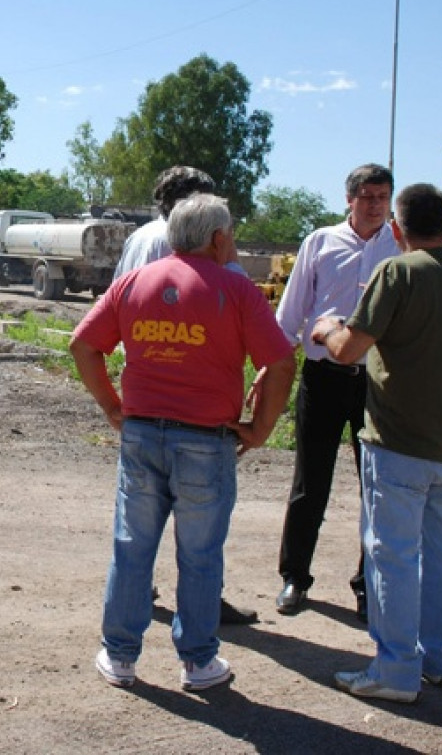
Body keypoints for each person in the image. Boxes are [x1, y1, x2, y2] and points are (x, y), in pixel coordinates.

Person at [71, 193, 296, 691]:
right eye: (231, 234)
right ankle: (197, 662)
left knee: (132, 548)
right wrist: (260, 430)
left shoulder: (135, 282)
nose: (233, 242)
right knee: (199, 555)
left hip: (143, 433)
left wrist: (113, 408)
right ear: (218, 239)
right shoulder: (236, 291)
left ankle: (120, 655)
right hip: (206, 441)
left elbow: (83, 345)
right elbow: (280, 363)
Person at [314, 183, 442, 703]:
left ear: (396, 228)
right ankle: (439, 658)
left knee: (390, 555)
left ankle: (394, 669)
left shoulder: (398, 271)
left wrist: (325, 328)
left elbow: (349, 350)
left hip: (399, 442)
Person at [114, 165, 257, 626]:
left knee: (138, 522)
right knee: (199, 524)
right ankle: (200, 610)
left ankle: (139, 600)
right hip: (192, 395)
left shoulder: (140, 237)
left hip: (145, 387)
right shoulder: (182, 245)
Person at [263, 163, 399, 620]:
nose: (375, 204)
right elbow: (292, 310)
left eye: (383, 196)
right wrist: (272, 366)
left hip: (378, 382)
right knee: (310, 482)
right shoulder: (320, 242)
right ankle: (293, 578)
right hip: (322, 377)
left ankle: (368, 585)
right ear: (349, 199)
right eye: (367, 196)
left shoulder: (399, 247)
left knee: (376, 487)